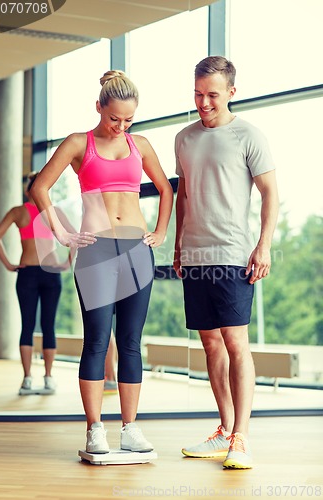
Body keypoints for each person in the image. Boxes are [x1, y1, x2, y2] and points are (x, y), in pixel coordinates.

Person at [31, 70, 173, 454]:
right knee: (96, 341)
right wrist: (60, 233)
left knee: (130, 341)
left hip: (136, 252)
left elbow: (165, 188)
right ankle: (95, 428)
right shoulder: (79, 143)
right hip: (95, 251)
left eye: (128, 120)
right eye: (114, 118)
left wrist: (160, 232)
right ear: (99, 107)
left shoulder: (140, 144)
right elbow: (39, 187)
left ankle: (130, 427)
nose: (121, 126)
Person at [173, 56, 279, 469]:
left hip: (234, 256)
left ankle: (242, 438)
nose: (203, 102)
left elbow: (270, 192)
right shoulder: (183, 139)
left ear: (232, 92)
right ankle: (224, 428)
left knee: (236, 342)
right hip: (196, 255)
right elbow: (183, 196)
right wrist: (180, 244)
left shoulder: (248, 135)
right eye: (198, 93)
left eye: (212, 95)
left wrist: (264, 246)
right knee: (210, 342)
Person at [0, 172, 63, 395]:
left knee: (31, 326)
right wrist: (67, 261)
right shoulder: (40, 212)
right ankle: (39, 378)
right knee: (43, 326)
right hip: (44, 273)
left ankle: (33, 379)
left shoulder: (35, 212)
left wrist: (9, 265)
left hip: (36, 273)